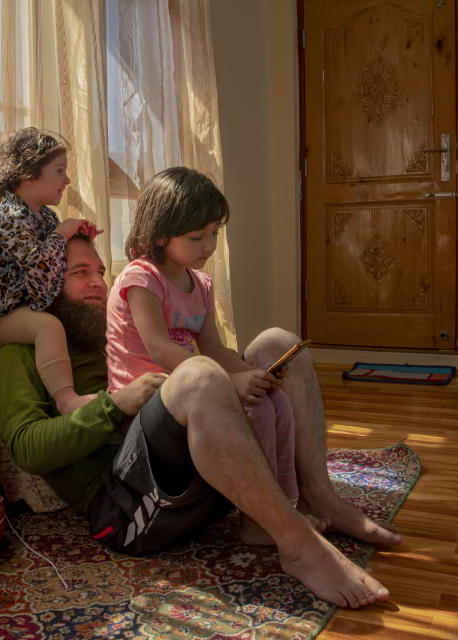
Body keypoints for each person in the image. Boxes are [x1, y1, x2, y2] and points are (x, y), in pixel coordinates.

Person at [0, 234, 403, 609]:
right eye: (79, 272)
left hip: (204, 481)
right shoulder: (16, 355)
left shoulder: (112, 333)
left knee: (280, 345)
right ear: (46, 284)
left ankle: (318, 495)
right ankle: (295, 543)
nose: (97, 281)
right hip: (129, 511)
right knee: (198, 376)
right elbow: (29, 448)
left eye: (99, 270)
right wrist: (116, 404)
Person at [104, 166, 300, 544]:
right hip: (145, 410)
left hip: (188, 388)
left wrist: (253, 375)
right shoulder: (141, 278)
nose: (209, 246)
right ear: (160, 234)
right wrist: (231, 384)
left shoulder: (201, 284)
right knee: (256, 410)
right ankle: (258, 518)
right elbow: (160, 350)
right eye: (197, 237)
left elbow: (211, 347)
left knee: (275, 403)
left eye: (214, 233)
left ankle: (286, 506)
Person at [0, 127, 102, 415]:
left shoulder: (46, 215)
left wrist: (78, 236)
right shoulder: (8, 217)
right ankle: (66, 400)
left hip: (36, 304)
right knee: (47, 326)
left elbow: (58, 261)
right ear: (28, 173)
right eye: (59, 171)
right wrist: (62, 234)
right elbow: (39, 275)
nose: (67, 180)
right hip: (8, 314)